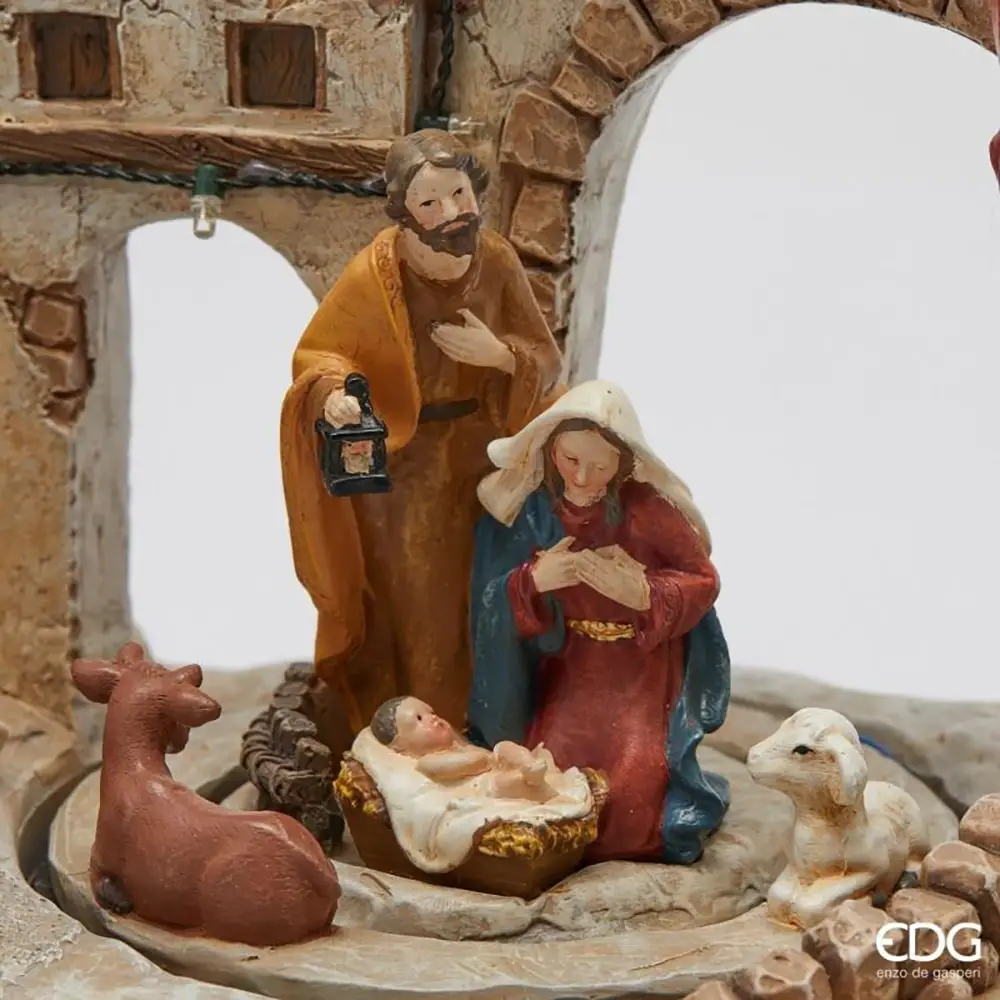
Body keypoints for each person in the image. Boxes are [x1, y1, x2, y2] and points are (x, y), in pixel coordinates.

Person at [280, 130, 563, 760]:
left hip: (483, 455)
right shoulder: (376, 274)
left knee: (486, 594)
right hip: (406, 471)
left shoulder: (497, 260)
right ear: (402, 211)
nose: (451, 212)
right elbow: (320, 352)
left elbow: (544, 357)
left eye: (458, 194)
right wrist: (334, 393)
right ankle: (423, 734)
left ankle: (493, 727)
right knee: (418, 606)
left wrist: (500, 356)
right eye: (429, 203)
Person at [467, 381, 731, 864]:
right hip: (570, 671)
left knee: (628, 811)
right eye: (571, 459)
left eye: (600, 465)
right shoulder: (533, 512)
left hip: (638, 674)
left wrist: (644, 592)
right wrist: (531, 582)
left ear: (622, 463)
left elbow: (702, 579)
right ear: (550, 451)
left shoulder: (646, 510)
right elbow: (490, 595)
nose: (583, 476)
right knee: (547, 782)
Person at [369, 695, 559, 802]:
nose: (433, 718)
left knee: (504, 746)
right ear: (402, 747)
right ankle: (531, 779)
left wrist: (489, 756)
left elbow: (486, 755)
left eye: (431, 712)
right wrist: (480, 759)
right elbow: (463, 765)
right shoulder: (427, 762)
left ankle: (530, 764)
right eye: (419, 719)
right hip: (485, 785)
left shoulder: (459, 746)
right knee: (502, 784)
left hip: (496, 766)